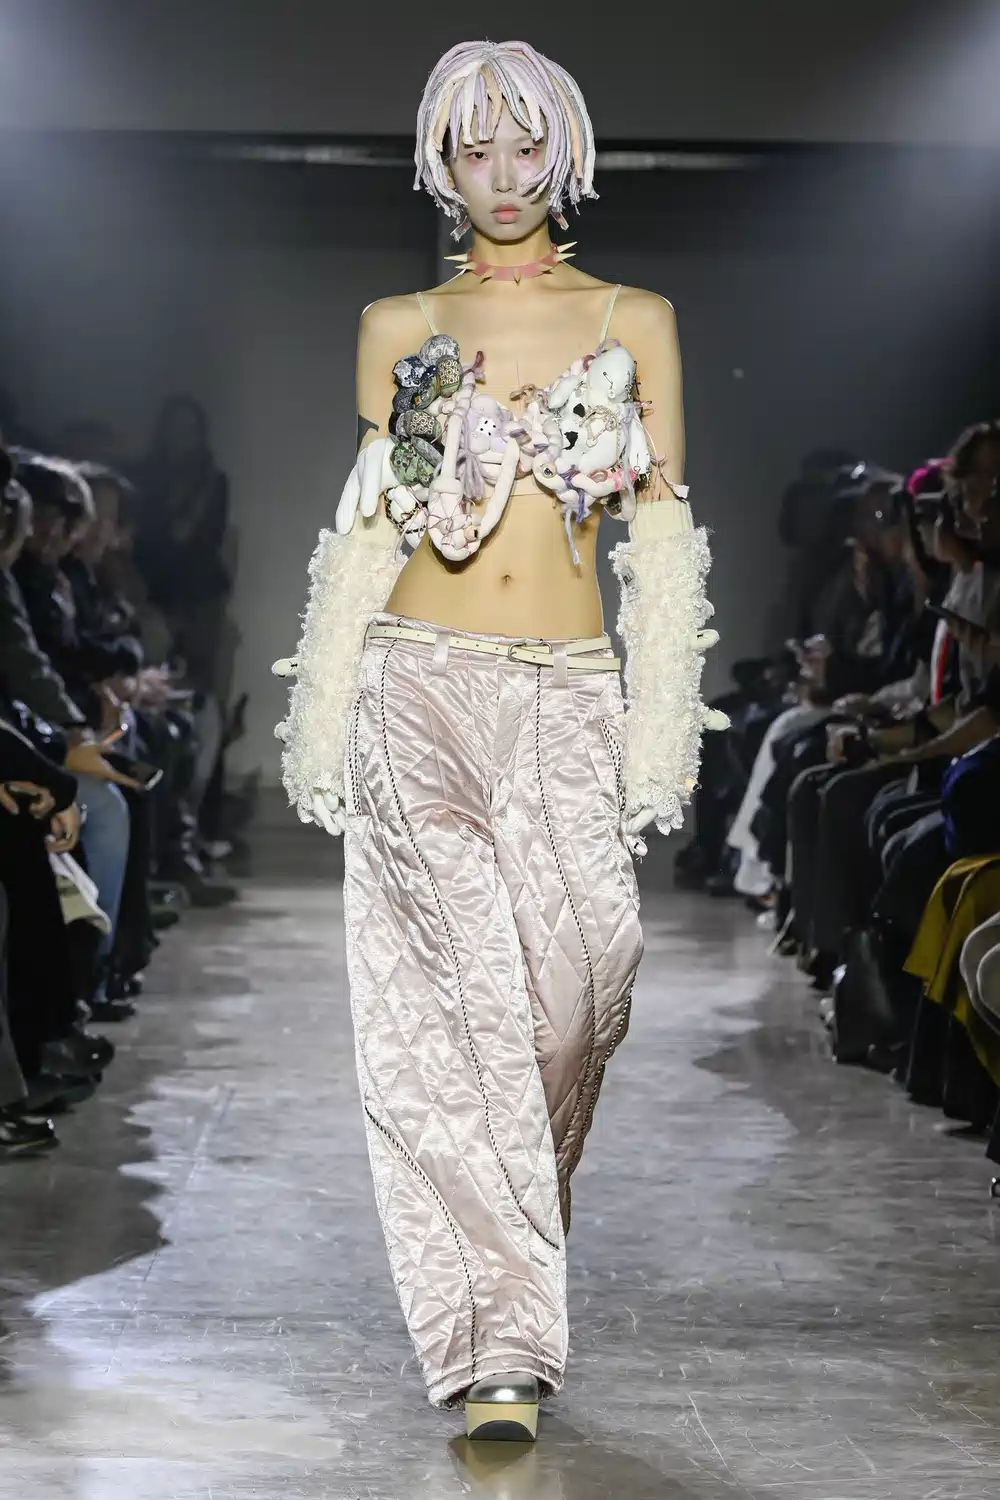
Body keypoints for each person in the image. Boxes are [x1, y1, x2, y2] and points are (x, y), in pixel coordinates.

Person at [276, 40, 723, 1439]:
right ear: (441, 164)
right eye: (477, 150)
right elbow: (369, 533)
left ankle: (511, 1238)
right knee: (456, 1011)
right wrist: (323, 716)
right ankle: (502, 1355)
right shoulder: (396, 324)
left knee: (587, 986)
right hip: (416, 684)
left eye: (528, 147)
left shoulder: (635, 320)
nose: (506, 176)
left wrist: (658, 733)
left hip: (571, 691)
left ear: (567, 155)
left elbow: (662, 542)